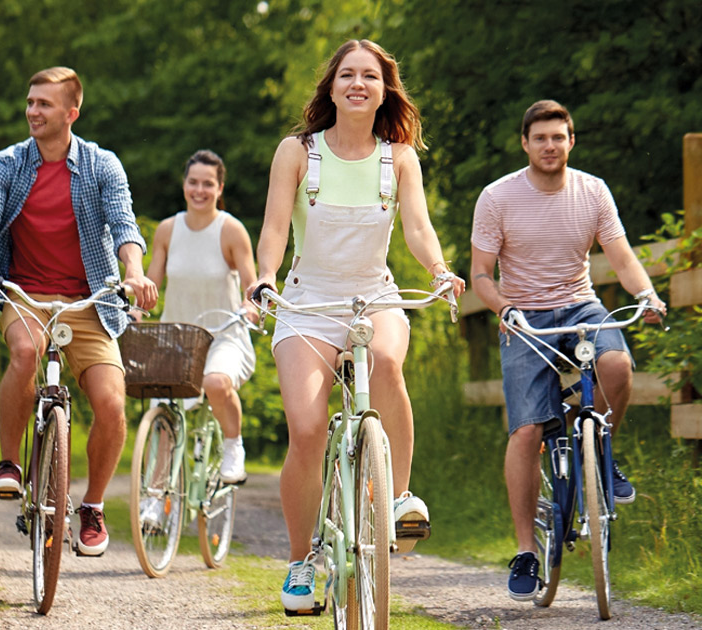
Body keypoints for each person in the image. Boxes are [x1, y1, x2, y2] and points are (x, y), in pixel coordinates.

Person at [247, 39, 465, 611]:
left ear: (384, 89)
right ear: (333, 86)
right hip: (307, 302)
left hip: (375, 297)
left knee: (389, 362)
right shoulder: (297, 152)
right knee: (307, 427)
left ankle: (398, 499)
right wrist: (264, 276)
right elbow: (272, 230)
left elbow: (417, 229)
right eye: (347, 74)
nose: (358, 83)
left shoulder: (399, 158)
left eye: (370, 75)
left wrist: (439, 270)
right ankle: (301, 564)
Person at [0, 66, 159, 557]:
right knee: (26, 351)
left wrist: (134, 271)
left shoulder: (102, 164)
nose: (32, 112)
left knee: (111, 402)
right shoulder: (6, 164)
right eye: (29, 102)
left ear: (72, 113)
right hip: (24, 292)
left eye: (43, 104)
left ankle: (92, 507)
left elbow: (125, 227)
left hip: (90, 297)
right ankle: (9, 465)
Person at [469, 99, 667, 601]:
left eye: (558, 137)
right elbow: (481, 275)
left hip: (581, 307)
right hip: (524, 318)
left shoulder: (592, 190)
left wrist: (646, 295)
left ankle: (599, 450)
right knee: (527, 429)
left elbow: (620, 256)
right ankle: (525, 552)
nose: (550, 146)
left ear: (571, 141)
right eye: (540, 138)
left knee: (618, 366)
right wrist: (504, 308)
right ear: (525, 144)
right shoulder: (497, 197)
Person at [143, 149, 259, 487]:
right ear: (184, 185)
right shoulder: (167, 230)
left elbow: (252, 287)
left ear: (220, 188)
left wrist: (250, 308)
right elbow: (152, 284)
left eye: (208, 184)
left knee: (216, 383)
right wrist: (136, 308)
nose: (199, 190)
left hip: (223, 335)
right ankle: (154, 494)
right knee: (163, 412)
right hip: (178, 338)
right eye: (193, 182)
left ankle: (233, 446)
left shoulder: (231, 231)